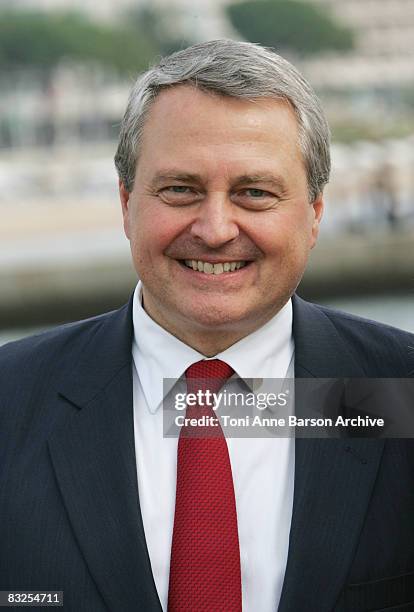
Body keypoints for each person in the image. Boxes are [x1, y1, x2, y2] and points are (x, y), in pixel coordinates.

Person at [0, 40, 413, 612]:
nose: (216, 228)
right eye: (181, 190)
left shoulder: (402, 391)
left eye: (255, 193)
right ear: (125, 202)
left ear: (315, 213)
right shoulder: (10, 399)